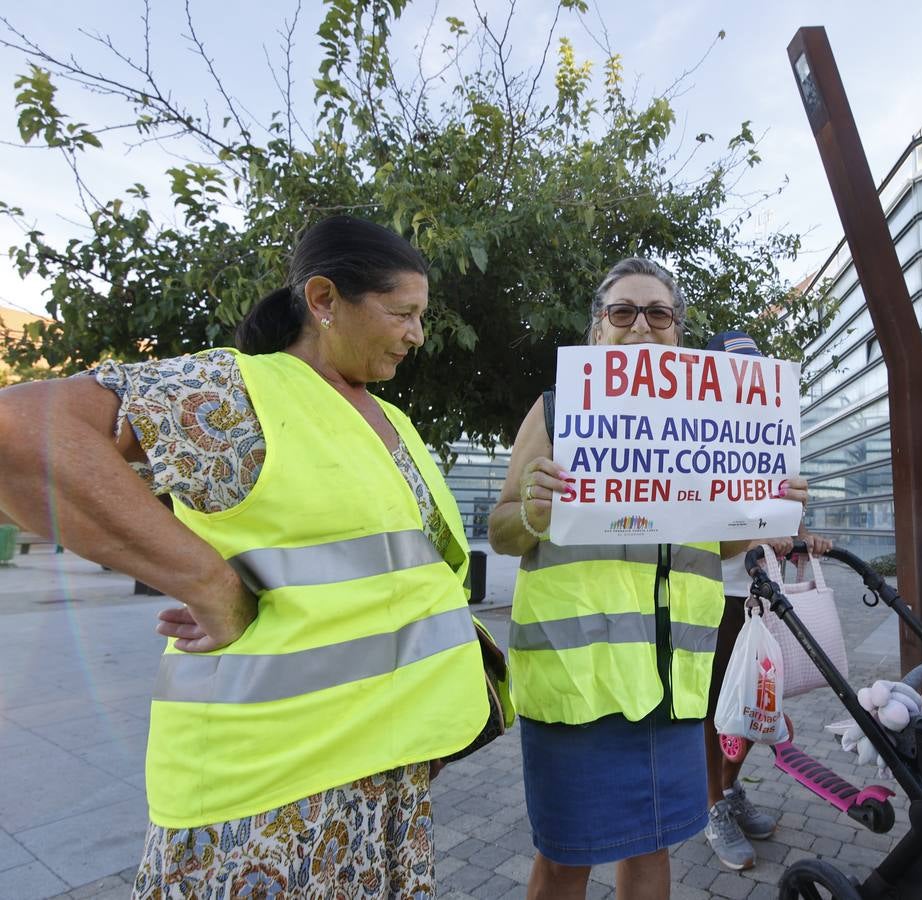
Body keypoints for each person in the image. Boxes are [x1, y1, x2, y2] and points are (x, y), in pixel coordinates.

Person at [0, 216, 502, 897]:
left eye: (422, 316)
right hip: (271, 794)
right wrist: (208, 584)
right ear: (323, 300)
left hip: (385, 767)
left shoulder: (391, 420)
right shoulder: (239, 393)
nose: (417, 334)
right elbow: (22, 432)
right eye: (402, 313)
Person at [488, 259, 811, 900]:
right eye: (623, 311)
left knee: (653, 846)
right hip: (580, 685)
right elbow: (502, 531)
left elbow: (720, 545)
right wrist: (531, 510)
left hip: (670, 686)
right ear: (597, 329)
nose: (641, 325)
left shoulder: (714, 421)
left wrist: (769, 507)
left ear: (677, 331)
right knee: (566, 857)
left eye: (658, 313)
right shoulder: (558, 409)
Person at [700, 330, 833, 871]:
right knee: (716, 708)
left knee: (761, 702)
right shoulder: (696, 438)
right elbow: (701, 528)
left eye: (752, 371)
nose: (745, 382)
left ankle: (729, 790)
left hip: (764, 595)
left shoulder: (772, 437)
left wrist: (804, 538)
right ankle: (712, 805)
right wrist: (758, 534)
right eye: (733, 373)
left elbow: (786, 513)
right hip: (716, 595)